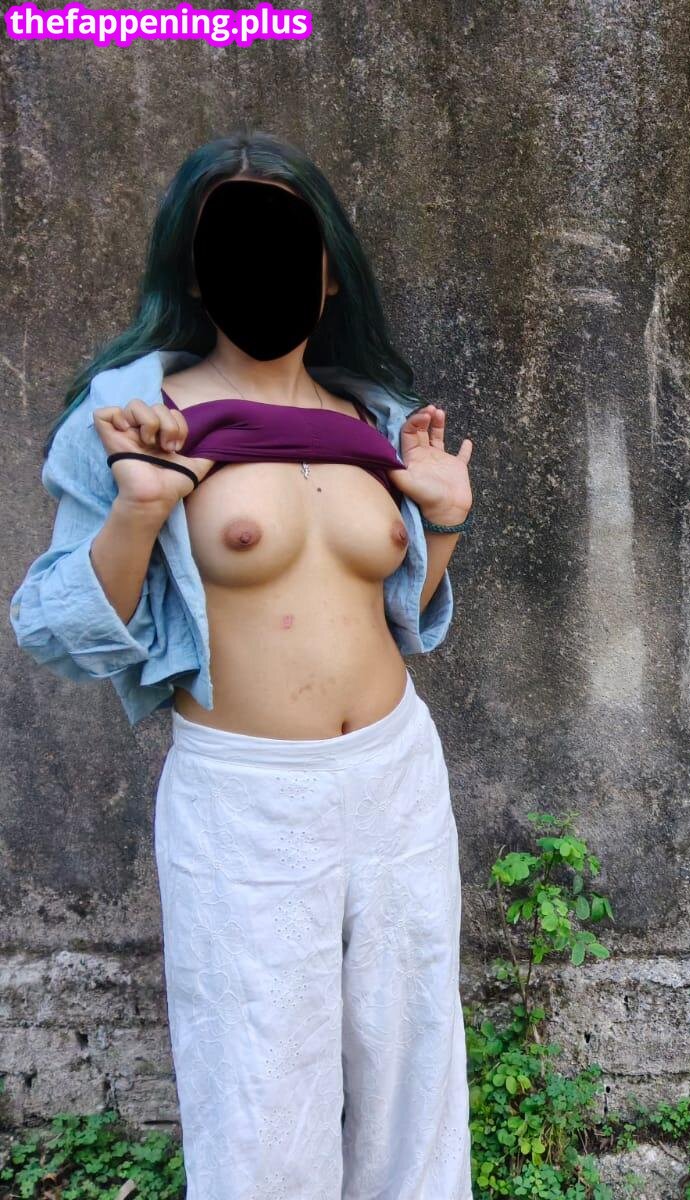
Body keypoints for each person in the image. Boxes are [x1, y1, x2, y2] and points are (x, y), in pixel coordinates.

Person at [9, 130, 475, 1198]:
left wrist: (442, 521)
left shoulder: (376, 419)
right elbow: (54, 629)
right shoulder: (139, 419)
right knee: (262, 1093)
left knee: (413, 1067)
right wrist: (139, 508)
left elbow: (397, 618)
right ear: (194, 271)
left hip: (397, 778)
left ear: (327, 270)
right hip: (247, 799)